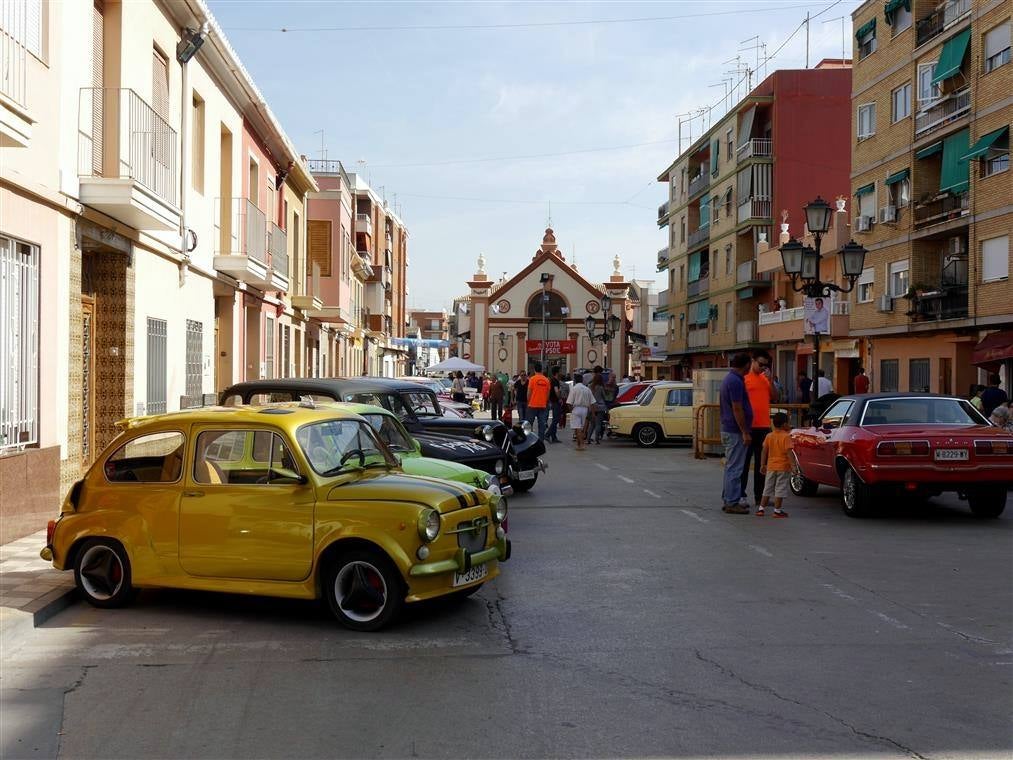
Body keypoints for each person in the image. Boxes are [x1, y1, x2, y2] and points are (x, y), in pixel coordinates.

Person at [740, 349, 778, 509]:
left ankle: (759, 497)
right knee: (744, 463)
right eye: (760, 364)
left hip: (763, 427)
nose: (763, 367)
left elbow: (775, 398)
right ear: (753, 360)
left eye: (765, 365)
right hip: (749, 427)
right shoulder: (744, 379)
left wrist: (770, 381)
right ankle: (740, 495)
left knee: (762, 465)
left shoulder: (764, 379)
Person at [720, 353, 754, 514]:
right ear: (746, 365)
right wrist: (745, 431)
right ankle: (732, 502)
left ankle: (729, 498)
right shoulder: (735, 381)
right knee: (735, 468)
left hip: (729, 428)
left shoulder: (731, 379)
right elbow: (737, 407)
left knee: (731, 466)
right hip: (735, 431)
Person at [757, 412, 793, 518]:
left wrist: (762, 464)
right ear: (784, 425)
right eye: (788, 423)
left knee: (767, 488)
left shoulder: (769, 436)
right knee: (780, 489)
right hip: (783, 467)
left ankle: (761, 509)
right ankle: (777, 511)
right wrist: (794, 466)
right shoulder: (786, 437)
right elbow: (789, 452)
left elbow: (764, 451)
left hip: (771, 466)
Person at [567, 375, 595, 451]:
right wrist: (593, 413)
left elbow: (569, 402)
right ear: (582, 380)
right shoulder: (587, 389)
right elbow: (592, 402)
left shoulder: (574, 389)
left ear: (575, 380)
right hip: (585, 409)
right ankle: (579, 444)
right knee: (582, 428)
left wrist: (571, 410)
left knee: (577, 428)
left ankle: (581, 444)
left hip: (576, 408)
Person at [526, 362, 551, 441]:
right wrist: (543, 401)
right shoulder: (546, 380)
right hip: (542, 406)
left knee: (529, 424)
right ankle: (540, 441)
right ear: (542, 370)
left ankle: (529, 440)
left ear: (534, 370)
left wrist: (528, 402)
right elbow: (548, 395)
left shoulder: (532, 379)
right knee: (542, 425)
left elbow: (529, 393)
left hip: (532, 405)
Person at [589, 372, 608, 444]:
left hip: (592, 407)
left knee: (592, 424)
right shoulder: (600, 387)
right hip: (600, 407)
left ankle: (588, 438)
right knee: (598, 424)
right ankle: (597, 439)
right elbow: (604, 397)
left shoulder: (590, 386)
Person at [546, 366, 563, 443]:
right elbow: (556, 391)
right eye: (560, 371)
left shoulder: (553, 380)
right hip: (556, 402)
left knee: (555, 419)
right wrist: (560, 398)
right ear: (557, 372)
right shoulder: (555, 381)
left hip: (553, 401)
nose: (561, 372)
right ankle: (547, 434)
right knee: (556, 420)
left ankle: (554, 437)